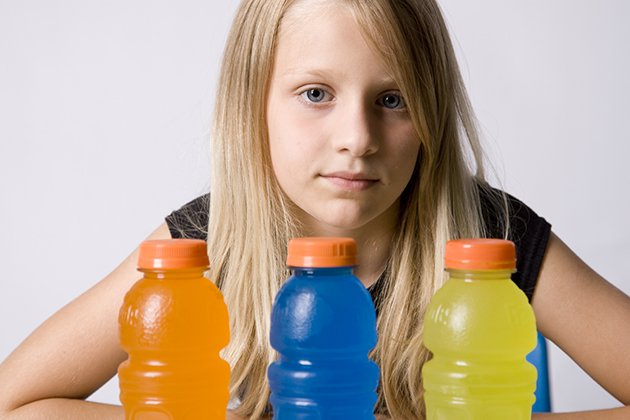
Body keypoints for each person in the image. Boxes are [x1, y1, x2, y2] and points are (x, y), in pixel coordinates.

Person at [1, 0, 629, 419]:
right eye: (315, 93)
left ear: (432, 112)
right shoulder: (208, 244)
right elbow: (16, 402)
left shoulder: (491, 239)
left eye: (393, 98)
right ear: (255, 106)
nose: (356, 137)